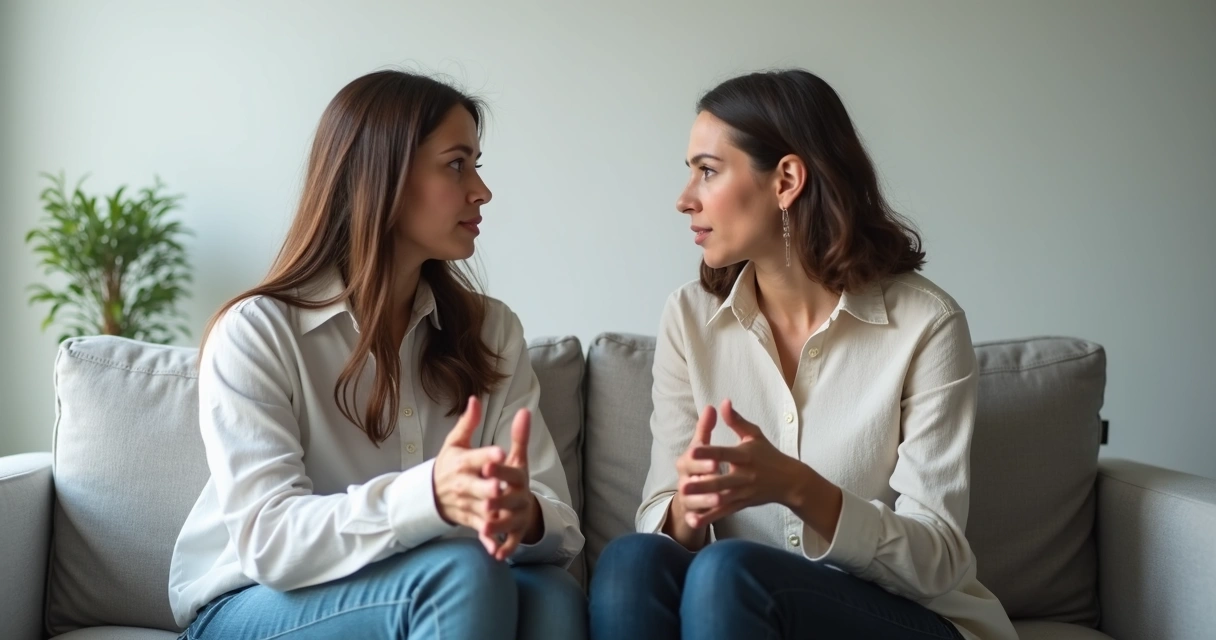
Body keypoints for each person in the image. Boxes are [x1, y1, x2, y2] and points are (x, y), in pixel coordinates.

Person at [589, 69, 1017, 640]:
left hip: (909, 620)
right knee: (629, 562)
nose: (684, 199)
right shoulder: (689, 320)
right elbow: (659, 510)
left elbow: (937, 558)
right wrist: (688, 512)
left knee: (728, 571)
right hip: (738, 607)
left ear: (786, 179)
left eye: (708, 171)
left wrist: (797, 487)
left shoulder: (926, 324)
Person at [168, 70, 585, 640]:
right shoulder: (257, 332)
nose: (481, 191)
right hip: (250, 603)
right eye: (456, 163)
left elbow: (557, 520)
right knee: (459, 575)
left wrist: (525, 514)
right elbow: (270, 540)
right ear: (380, 177)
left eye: (477, 165)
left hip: (439, 580)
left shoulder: (491, 330)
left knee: (553, 598)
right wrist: (430, 495)